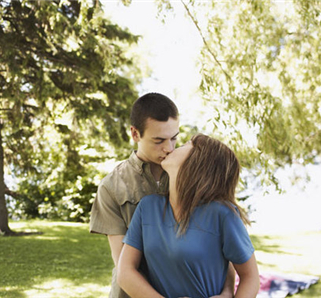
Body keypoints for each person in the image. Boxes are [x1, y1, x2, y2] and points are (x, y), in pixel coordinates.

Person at [89, 93, 235, 298]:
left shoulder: (189, 173)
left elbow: (217, 246)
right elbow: (125, 264)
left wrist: (227, 292)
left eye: (174, 138)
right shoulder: (111, 187)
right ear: (135, 133)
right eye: (158, 140)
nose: (169, 148)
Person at [117, 133, 260, 298]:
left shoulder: (223, 214)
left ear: (198, 162)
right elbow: (125, 272)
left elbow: (250, 277)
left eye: (186, 144)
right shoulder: (147, 207)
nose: (172, 148)